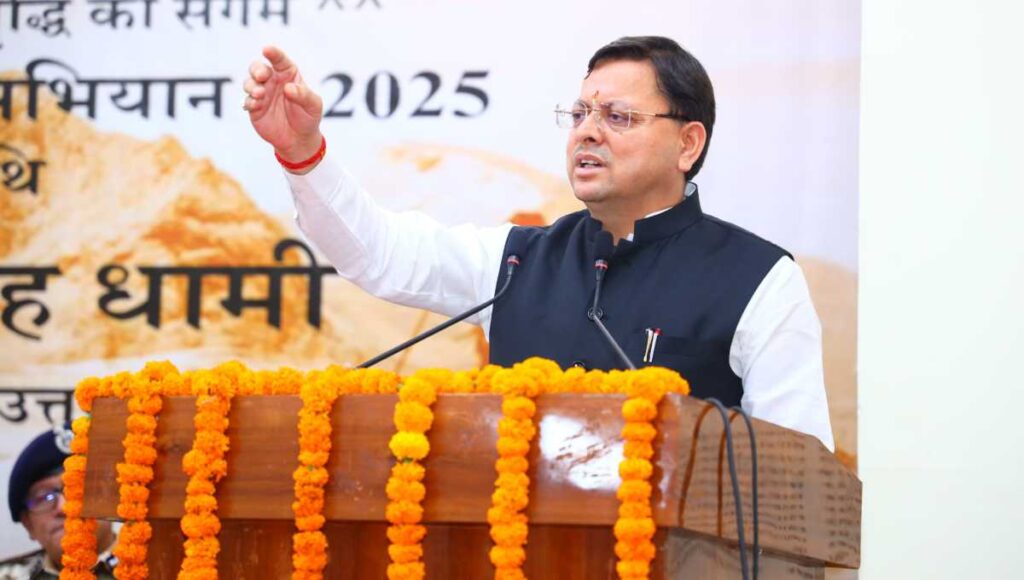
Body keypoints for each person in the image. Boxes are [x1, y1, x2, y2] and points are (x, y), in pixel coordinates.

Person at [244, 36, 835, 450]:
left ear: (688, 144)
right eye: (579, 113)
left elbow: (799, 473)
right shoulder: (516, 261)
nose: (588, 131)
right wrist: (303, 153)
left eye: (618, 117)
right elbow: (379, 255)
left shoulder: (758, 279)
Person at [1, 425, 116, 580]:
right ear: (28, 525)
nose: (64, 507)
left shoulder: (150, 566)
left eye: (79, 488)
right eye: (44, 497)